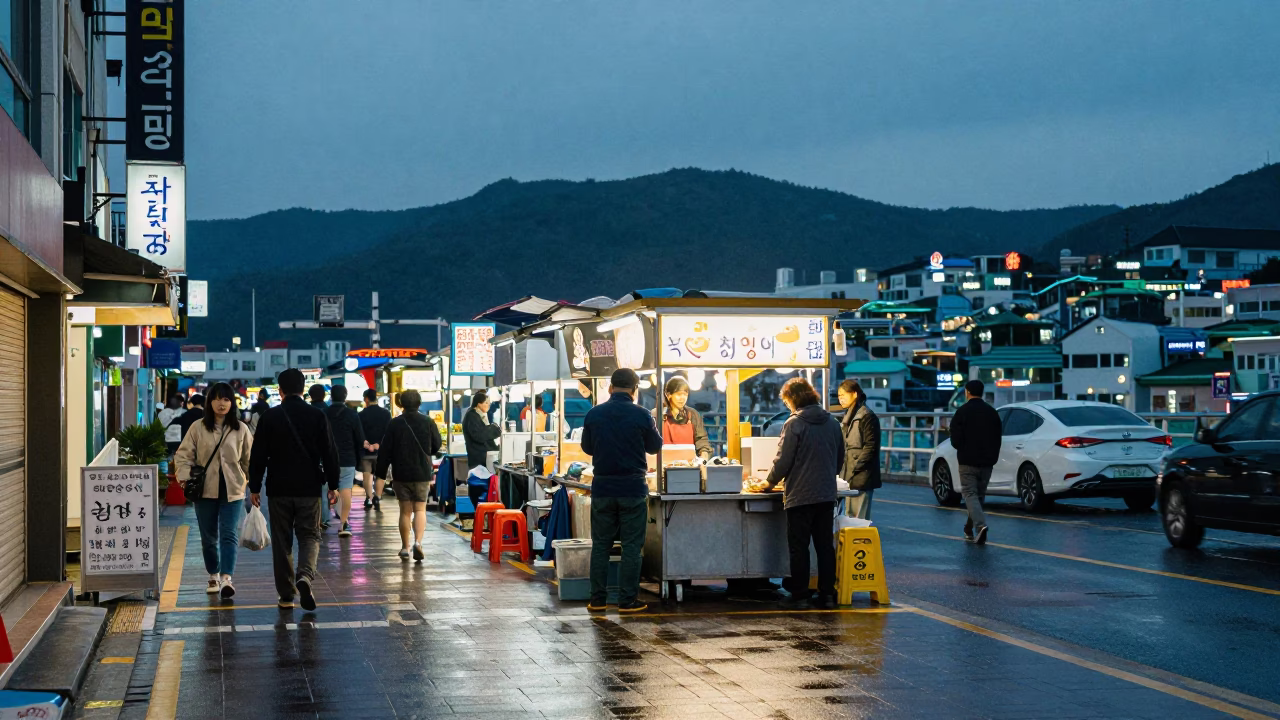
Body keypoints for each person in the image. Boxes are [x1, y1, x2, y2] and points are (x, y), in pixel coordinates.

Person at [248, 369, 340, 611]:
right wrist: (333, 485)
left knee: (282, 541)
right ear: (303, 390)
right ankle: (305, 576)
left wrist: (254, 487)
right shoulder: (317, 416)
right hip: (309, 487)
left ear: (280, 391)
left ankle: (287, 594)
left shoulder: (270, 417)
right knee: (310, 535)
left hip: (278, 487)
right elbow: (330, 452)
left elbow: (258, 455)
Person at [581, 368, 663, 613]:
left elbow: (587, 448)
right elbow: (655, 447)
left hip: (603, 488)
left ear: (610, 388)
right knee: (631, 547)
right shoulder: (642, 414)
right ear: (634, 390)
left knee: (601, 546)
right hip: (632, 489)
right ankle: (627, 601)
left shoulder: (594, 414)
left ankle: (597, 600)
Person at [758, 377, 844, 610]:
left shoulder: (794, 423)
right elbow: (840, 459)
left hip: (800, 496)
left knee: (799, 548)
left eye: (787, 401)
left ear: (794, 399)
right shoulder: (833, 423)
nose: (787, 406)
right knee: (825, 547)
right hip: (826, 495)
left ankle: (800, 595)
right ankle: (827, 595)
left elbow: (783, 461)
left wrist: (769, 482)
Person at [175, 383, 253, 599]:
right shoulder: (198, 427)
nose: (222, 403)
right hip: (204, 490)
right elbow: (183, 456)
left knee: (229, 534)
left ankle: (227, 577)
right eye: (217, 399)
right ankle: (213, 574)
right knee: (208, 537)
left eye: (226, 399)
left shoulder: (241, 429)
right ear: (210, 402)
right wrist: (185, 479)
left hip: (233, 489)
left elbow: (249, 459)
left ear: (232, 403)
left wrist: (253, 485)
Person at [374, 389, 443, 562]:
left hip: (401, 473)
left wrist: (380, 475)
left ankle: (405, 547)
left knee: (405, 511)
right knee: (420, 509)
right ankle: (418, 543)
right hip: (422, 472)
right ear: (419, 403)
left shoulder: (395, 423)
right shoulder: (428, 421)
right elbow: (436, 446)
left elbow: (385, 451)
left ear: (401, 404)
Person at [949, 379, 1002, 545]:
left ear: (967, 392)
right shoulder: (992, 413)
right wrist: (992, 457)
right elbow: (998, 438)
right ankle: (968, 529)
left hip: (967, 460)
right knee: (978, 497)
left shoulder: (962, 412)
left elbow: (955, 440)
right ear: (982, 392)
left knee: (969, 494)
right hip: (987, 462)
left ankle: (980, 526)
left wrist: (963, 447)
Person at [324, 385, 366, 538]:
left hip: (327, 458)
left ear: (331, 396)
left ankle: (322, 519)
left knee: (326, 489)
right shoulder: (352, 414)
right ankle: (343, 523)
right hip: (347, 458)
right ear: (345, 396)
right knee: (346, 489)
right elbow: (360, 438)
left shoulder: (324, 413)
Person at [838, 379, 882, 520]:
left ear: (855, 394)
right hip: (849, 477)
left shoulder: (867, 416)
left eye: (843, 395)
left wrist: (857, 467)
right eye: (839, 396)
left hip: (861, 476)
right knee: (850, 519)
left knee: (859, 521)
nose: (840, 399)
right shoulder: (849, 416)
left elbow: (870, 446)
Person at [654, 376, 712, 460]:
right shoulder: (657, 414)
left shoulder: (693, 414)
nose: (682, 398)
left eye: (685, 394)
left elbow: (702, 440)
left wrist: (703, 458)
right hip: (664, 464)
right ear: (668, 395)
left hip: (688, 464)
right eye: (678, 394)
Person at [462, 391, 502, 514]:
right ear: (478, 404)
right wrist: (494, 429)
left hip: (482, 457)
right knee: (478, 489)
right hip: (478, 458)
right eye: (486, 403)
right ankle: (481, 513)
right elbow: (479, 435)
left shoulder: (479, 415)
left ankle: (482, 513)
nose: (488, 405)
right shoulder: (472, 416)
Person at [359, 389, 391, 511]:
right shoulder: (386, 413)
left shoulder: (360, 415)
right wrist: (379, 444)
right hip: (381, 451)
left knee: (367, 475)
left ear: (366, 399)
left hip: (366, 451)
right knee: (380, 475)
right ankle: (377, 497)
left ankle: (368, 498)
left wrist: (367, 444)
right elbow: (388, 432)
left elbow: (359, 432)